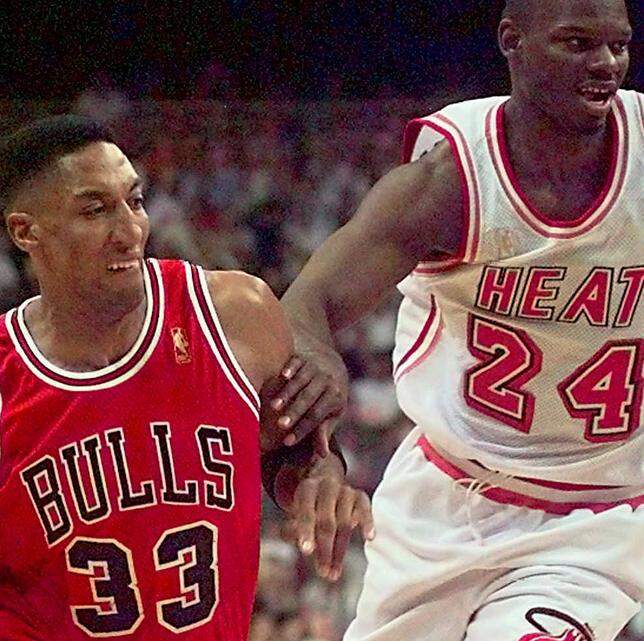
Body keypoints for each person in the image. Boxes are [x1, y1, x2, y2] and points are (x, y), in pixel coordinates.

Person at [0, 115, 373, 640]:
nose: (131, 228)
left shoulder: (234, 315)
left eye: (133, 200)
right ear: (26, 232)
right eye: (95, 209)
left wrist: (321, 476)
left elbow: (292, 450)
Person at [271, 1, 644, 639]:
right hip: (442, 498)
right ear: (512, 42)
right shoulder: (451, 182)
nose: (604, 64)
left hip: (593, 517)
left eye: (618, 45)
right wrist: (314, 456)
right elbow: (306, 308)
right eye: (578, 43)